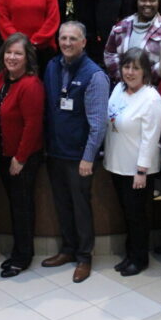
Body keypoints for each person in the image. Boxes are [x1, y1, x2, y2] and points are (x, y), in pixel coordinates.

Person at [42, 21, 109, 284]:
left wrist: (88, 157)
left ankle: (84, 257)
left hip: (79, 156)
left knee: (81, 207)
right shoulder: (51, 66)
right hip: (56, 151)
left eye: (73, 39)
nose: (67, 43)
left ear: (84, 42)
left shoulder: (95, 76)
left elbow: (98, 123)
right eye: (63, 38)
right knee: (62, 204)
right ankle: (68, 250)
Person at [0, 34, 45, 277]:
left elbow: (33, 126)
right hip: (2, 153)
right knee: (14, 205)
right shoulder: (1, 78)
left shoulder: (31, 84)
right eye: (8, 52)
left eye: (17, 53)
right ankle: (17, 250)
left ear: (27, 57)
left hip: (22, 157)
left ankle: (23, 256)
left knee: (22, 208)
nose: (11, 57)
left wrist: (20, 158)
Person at [104, 49, 161, 276]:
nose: (129, 72)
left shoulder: (151, 98)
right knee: (127, 215)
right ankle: (130, 254)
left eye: (135, 68)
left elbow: (151, 139)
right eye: (126, 67)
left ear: (146, 72)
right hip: (116, 164)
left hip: (137, 171)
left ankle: (139, 259)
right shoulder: (119, 89)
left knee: (138, 217)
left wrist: (141, 170)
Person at [104, 0, 161, 81]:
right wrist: (124, 76)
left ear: (158, 3)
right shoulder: (120, 26)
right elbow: (110, 54)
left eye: (152, 0)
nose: (147, 4)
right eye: (143, 0)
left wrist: (143, 78)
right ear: (136, 2)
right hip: (123, 84)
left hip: (154, 87)